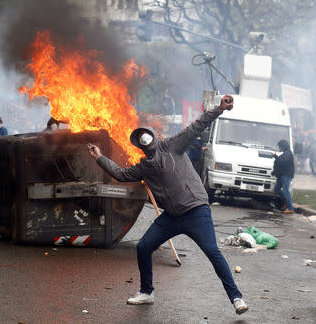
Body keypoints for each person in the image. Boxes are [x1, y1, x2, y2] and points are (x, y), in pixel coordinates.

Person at [88, 95, 248, 315]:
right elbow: (120, 174)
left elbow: (197, 126)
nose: (147, 144)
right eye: (143, 142)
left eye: (148, 139)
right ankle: (146, 293)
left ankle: (236, 297)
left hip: (196, 211)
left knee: (212, 252)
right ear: (140, 147)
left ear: (156, 137)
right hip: (172, 217)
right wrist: (99, 157)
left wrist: (218, 109)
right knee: (144, 247)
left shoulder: (173, 145)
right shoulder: (143, 166)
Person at [272, 139, 295, 213]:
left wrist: (275, 156)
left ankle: (290, 208)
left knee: (286, 191)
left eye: (280, 146)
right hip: (281, 175)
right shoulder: (285, 153)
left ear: (283, 146)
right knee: (276, 189)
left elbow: (283, 162)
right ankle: (287, 203)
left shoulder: (288, 153)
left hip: (286, 175)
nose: (279, 148)